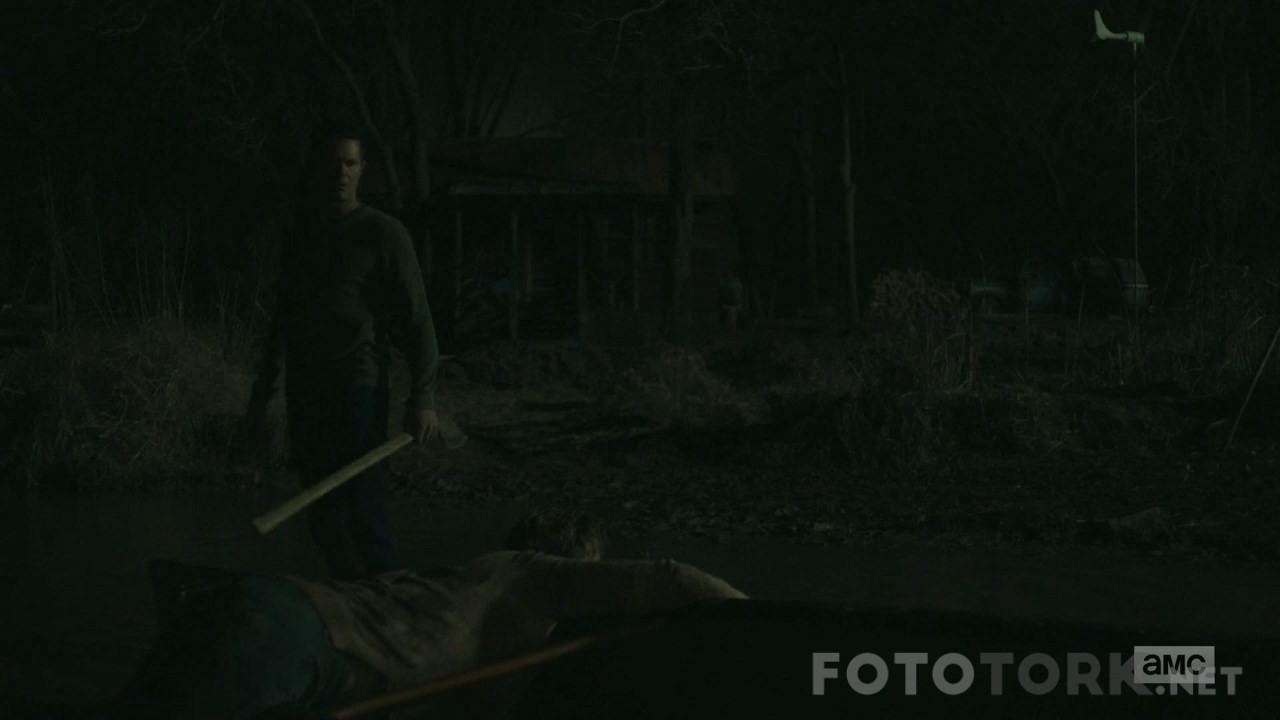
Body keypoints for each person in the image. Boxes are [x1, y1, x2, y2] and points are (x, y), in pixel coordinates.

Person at [117, 509, 748, 719]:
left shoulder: (455, 582)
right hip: (294, 641)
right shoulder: (538, 576)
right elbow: (669, 579)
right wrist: (758, 619)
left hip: (253, 607)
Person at [238, 124, 440, 581]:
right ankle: (352, 595)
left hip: (358, 386)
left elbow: (418, 319)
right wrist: (260, 397)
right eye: (333, 164)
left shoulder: (382, 233)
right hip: (306, 389)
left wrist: (423, 397)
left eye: (350, 163)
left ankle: (389, 593)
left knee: (363, 504)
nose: (341, 173)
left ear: (362, 169)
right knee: (322, 513)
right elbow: (282, 323)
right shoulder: (303, 236)